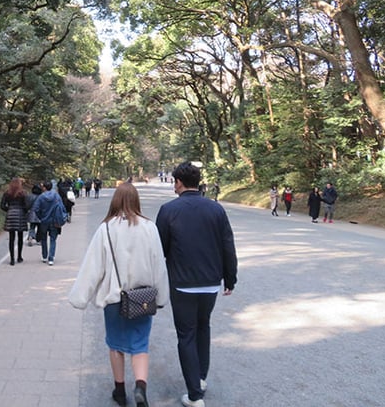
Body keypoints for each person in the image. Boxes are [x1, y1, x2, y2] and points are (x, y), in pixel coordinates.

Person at [69, 183, 169, 407]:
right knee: (140, 345)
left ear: (115, 200)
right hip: (142, 299)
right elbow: (158, 266)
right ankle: (141, 387)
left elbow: (93, 267)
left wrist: (80, 297)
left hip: (114, 299)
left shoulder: (105, 229)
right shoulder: (150, 228)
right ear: (136, 201)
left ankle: (120, 391)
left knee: (116, 345)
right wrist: (162, 297)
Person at [155, 162, 238, 407]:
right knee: (203, 328)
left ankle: (194, 395)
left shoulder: (169, 210)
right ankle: (200, 379)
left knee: (186, 335)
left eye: (174, 181)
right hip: (211, 283)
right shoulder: (216, 209)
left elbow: (160, 249)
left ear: (179, 182)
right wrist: (230, 278)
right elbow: (227, 246)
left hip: (182, 283)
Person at [32, 181, 65, 266]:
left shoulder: (41, 197)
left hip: (44, 221)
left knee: (44, 239)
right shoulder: (56, 196)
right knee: (53, 239)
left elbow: (35, 209)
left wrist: (40, 217)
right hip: (54, 221)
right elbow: (62, 207)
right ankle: (51, 258)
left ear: (44, 188)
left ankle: (44, 256)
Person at [0, 178, 29, 265]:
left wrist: (9, 210)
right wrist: (24, 211)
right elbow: (26, 206)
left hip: (11, 215)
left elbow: (2, 205)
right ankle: (19, 257)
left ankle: (12, 259)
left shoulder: (7, 193)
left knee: (11, 238)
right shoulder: (23, 193)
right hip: (20, 215)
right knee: (20, 237)